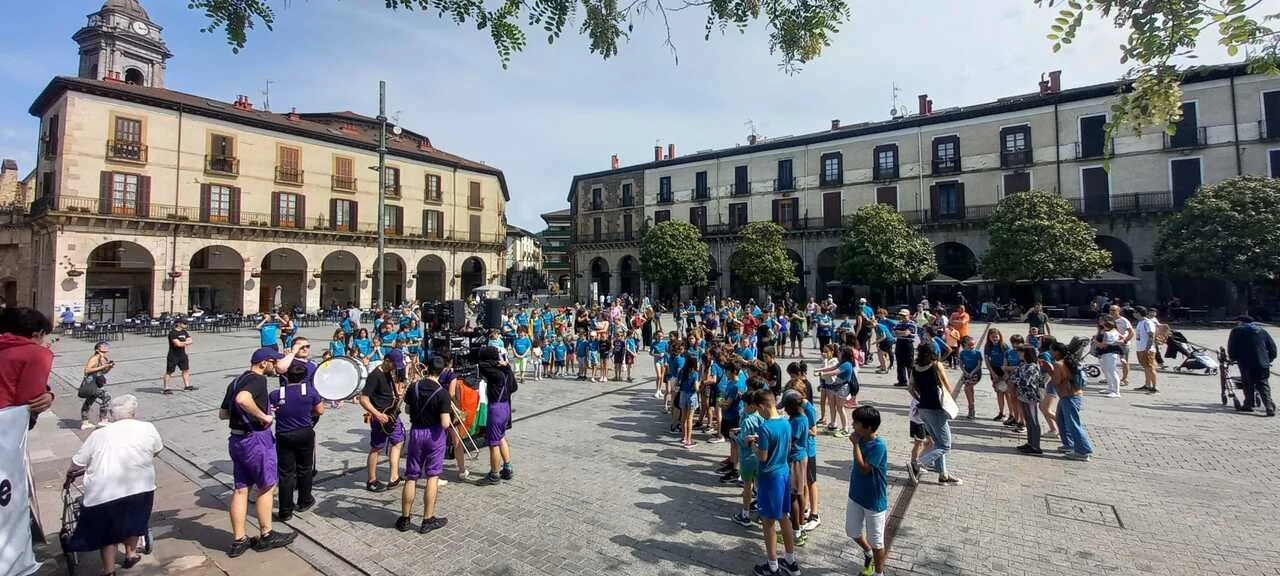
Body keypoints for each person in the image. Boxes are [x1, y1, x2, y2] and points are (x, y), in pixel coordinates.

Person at [64, 395, 162, 573]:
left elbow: (78, 462)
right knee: (135, 521)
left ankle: (109, 570)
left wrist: (70, 473)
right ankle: (130, 554)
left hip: (104, 493)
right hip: (140, 487)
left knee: (107, 534)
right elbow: (156, 450)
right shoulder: (148, 427)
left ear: (111, 415)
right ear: (134, 412)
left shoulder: (98, 435)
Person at [220, 346, 299, 557]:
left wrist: (260, 410)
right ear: (263, 363)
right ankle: (266, 534)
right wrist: (263, 417)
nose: (275, 366)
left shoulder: (236, 381)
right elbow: (242, 400)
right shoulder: (258, 380)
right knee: (266, 486)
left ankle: (239, 539)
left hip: (236, 439)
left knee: (241, 489)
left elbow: (223, 413)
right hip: (255, 440)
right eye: (273, 362)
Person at [746, 389, 801, 576]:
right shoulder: (786, 422)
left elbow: (762, 456)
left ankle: (772, 565)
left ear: (762, 406)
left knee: (768, 521)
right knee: (784, 516)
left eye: (758, 409)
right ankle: (790, 559)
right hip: (784, 472)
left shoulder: (765, 427)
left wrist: (753, 445)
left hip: (769, 477)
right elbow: (786, 446)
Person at [398, 355, 452, 533]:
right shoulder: (442, 393)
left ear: (427, 368)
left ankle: (405, 518)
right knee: (432, 476)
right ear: (442, 371)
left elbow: (407, 409)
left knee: (411, 476)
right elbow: (445, 423)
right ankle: (427, 519)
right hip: (434, 435)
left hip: (416, 432)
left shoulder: (414, 386)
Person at [269, 360, 323, 521]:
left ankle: (285, 510)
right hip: (305, 432)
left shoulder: (276, 394)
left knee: (286, 473)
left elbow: (269, 409)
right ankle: (304, 500)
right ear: (304, 377)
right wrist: (306, 413)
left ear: (286, 376)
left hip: (284, 434)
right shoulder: (311, 392)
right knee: (305, 468)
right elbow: (320, 410)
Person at [907, 342, 962, 486]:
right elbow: (946, 385)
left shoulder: (915, 367)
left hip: (923, 409)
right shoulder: (936, 365)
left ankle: (943, 475)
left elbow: (910, 388)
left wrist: (920, 398)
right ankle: (918, 464)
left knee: (938, 442)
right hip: (936, 409)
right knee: (945, 445)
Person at [846, 405, 888, 576]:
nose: (853, 425)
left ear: (868, 427)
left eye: (856, 422)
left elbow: (864, 468)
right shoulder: (861, 438)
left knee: (877, 542)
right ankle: (867, 551)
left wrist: (855, 444)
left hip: (874, 501)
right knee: (852, 531)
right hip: (856, 495)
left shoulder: (878, 446)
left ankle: (878, 573)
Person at [359, 349, 406, 492]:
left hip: (391, 414)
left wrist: (398, 393)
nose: (395, 368)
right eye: (394, 364)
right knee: (376, 448)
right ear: (387, 361)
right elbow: (363, 399)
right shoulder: (375, 376)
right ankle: (371, 480)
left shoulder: (388, 372)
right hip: (380, 417)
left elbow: (387, 392)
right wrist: (377, 414)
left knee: (398, 441)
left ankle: (394, 477)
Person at [0, 307, 56, 425]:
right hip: (7, 421)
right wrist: (47, 396)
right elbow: (31, 401)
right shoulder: (38, 354)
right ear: (38, 333)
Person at [477, 345, 517, 484]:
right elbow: (514, 387)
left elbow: (481, 365)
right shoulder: (505, 369)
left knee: (493, 443)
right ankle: (507, 468)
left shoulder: (493, 372)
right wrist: (504, 364)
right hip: (506, 406)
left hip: (496, 409)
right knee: (501, 437)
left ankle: (494, 474)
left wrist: (492, 361)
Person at [1050, 340, 1095, 460]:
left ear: (1057, 352)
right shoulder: (1070, 361)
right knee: (1061, 420)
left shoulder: (1058, 365)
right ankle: (1069, 444)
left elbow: (1056, 381)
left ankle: (1083, 451)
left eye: (1052, 351)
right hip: (1071, 396)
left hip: (1069, 397)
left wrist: (1049, 370)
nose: (1050, 353)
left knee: (1073, 424)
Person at [1227, 315, 1277, 416]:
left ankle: (1248, 404)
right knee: (1263, 384)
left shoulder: (1237, 331)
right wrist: (1269, 358)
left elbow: (1232, 346)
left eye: (1237, 322)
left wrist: (1232, 357)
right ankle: (1269, 406)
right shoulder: (1262, 331)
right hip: (1263, 362)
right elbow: (1272, 347)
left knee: (1247, 383)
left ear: (1241, 322)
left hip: (1246, 362)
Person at [1011, 346, 1045, 455]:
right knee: (1028, 420)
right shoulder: (1023, 365)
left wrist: (1015, 379)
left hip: (1030, 397)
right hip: (1023, 395)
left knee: (1033, 421)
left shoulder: (1032, 367)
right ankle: (1030, 443)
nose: (1018, 354)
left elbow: (1025, 381)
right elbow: (1015, 377)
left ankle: (1036, 446)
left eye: (1020, 352)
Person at [79, 341, 114, 430]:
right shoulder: (95, 358)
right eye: (103, 345)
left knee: (90, 400)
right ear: (98, 349)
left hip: (96, 383)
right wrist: (103, 366)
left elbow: (102, 372)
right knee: (106, 396)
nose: (106, 346)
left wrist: (109, 367)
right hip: (91, 383)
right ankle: (103, 419)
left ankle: (85, 422)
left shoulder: (103, 358)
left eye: (107, 345)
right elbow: (87, 370)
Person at [1132, 306, 1160, 393]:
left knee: (1150, 367)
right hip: (1141, 348)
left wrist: (1147, 348)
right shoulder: (1140, 322)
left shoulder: (1147, 322)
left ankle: (1155, 386)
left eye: (1135, 312)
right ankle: (1147, 385)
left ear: (1139, 313)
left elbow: (1151, 336)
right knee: (1146, 367)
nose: (1133, 314)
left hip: (1147, 349)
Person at [163, 319, 194, 394]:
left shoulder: (184, 332)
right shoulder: (172, 333)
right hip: (173, 355)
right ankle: (166, 388)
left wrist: (183, 342)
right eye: (184, 323)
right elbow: (178, 344)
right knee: (169, 372)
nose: (186, 325)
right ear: (179, 324)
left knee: (185, 370)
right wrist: (186, 342)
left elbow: (190, 340)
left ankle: (187, 386)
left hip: (182, 354)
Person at [1094, 319, 1123, 398]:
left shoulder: (1107, 333)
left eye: (1104, 326)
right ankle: (1110, 388)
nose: (1103, 327)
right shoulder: (1115, 331)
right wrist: (1117, 341)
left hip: (1108, 353)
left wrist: (1095, 341)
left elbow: (1102, 345)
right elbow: (1122, 337)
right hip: (1111, 352)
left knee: (1112, 371)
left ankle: (1116, 392)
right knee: (1107, 370)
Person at [957, 336, 982, 420]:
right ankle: (971, 405)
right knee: (970, 389)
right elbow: (961, 364)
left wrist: (971, 373)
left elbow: (979, 365)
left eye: (973, 345)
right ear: (964, 345)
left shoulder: (977, 353)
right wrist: (965, 372)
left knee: (967, 388)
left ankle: (971, 407)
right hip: (967, 373)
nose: (972, 347)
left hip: (975, 373)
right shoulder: (962, 353)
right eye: (970, 345)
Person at [1108, 305, 1133, 386]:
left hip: (1123, 344)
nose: (1111, 312)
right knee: (1110, 361)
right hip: (1112, 343)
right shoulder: (1109, 319)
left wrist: (1125, 341)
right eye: (1110, 310)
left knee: (1123, 361)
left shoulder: (1124, 320)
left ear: (1119, 311)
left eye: (1114, 310)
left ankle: (1125, 379)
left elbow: (1131, 332)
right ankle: (1111, 377)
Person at [892, 309, 918, 387]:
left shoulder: (912, 324)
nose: (902, 317)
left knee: (909, 364)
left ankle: (912, 382)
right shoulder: (898, 323)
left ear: (908, 315)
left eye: (904, 315)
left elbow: (907, 333)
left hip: (908, 344)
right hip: (899, 343)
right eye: (901, 315)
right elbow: (894, 333)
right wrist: (901, 333)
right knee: (900, 363)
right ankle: (902, 381)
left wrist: (899, 332)